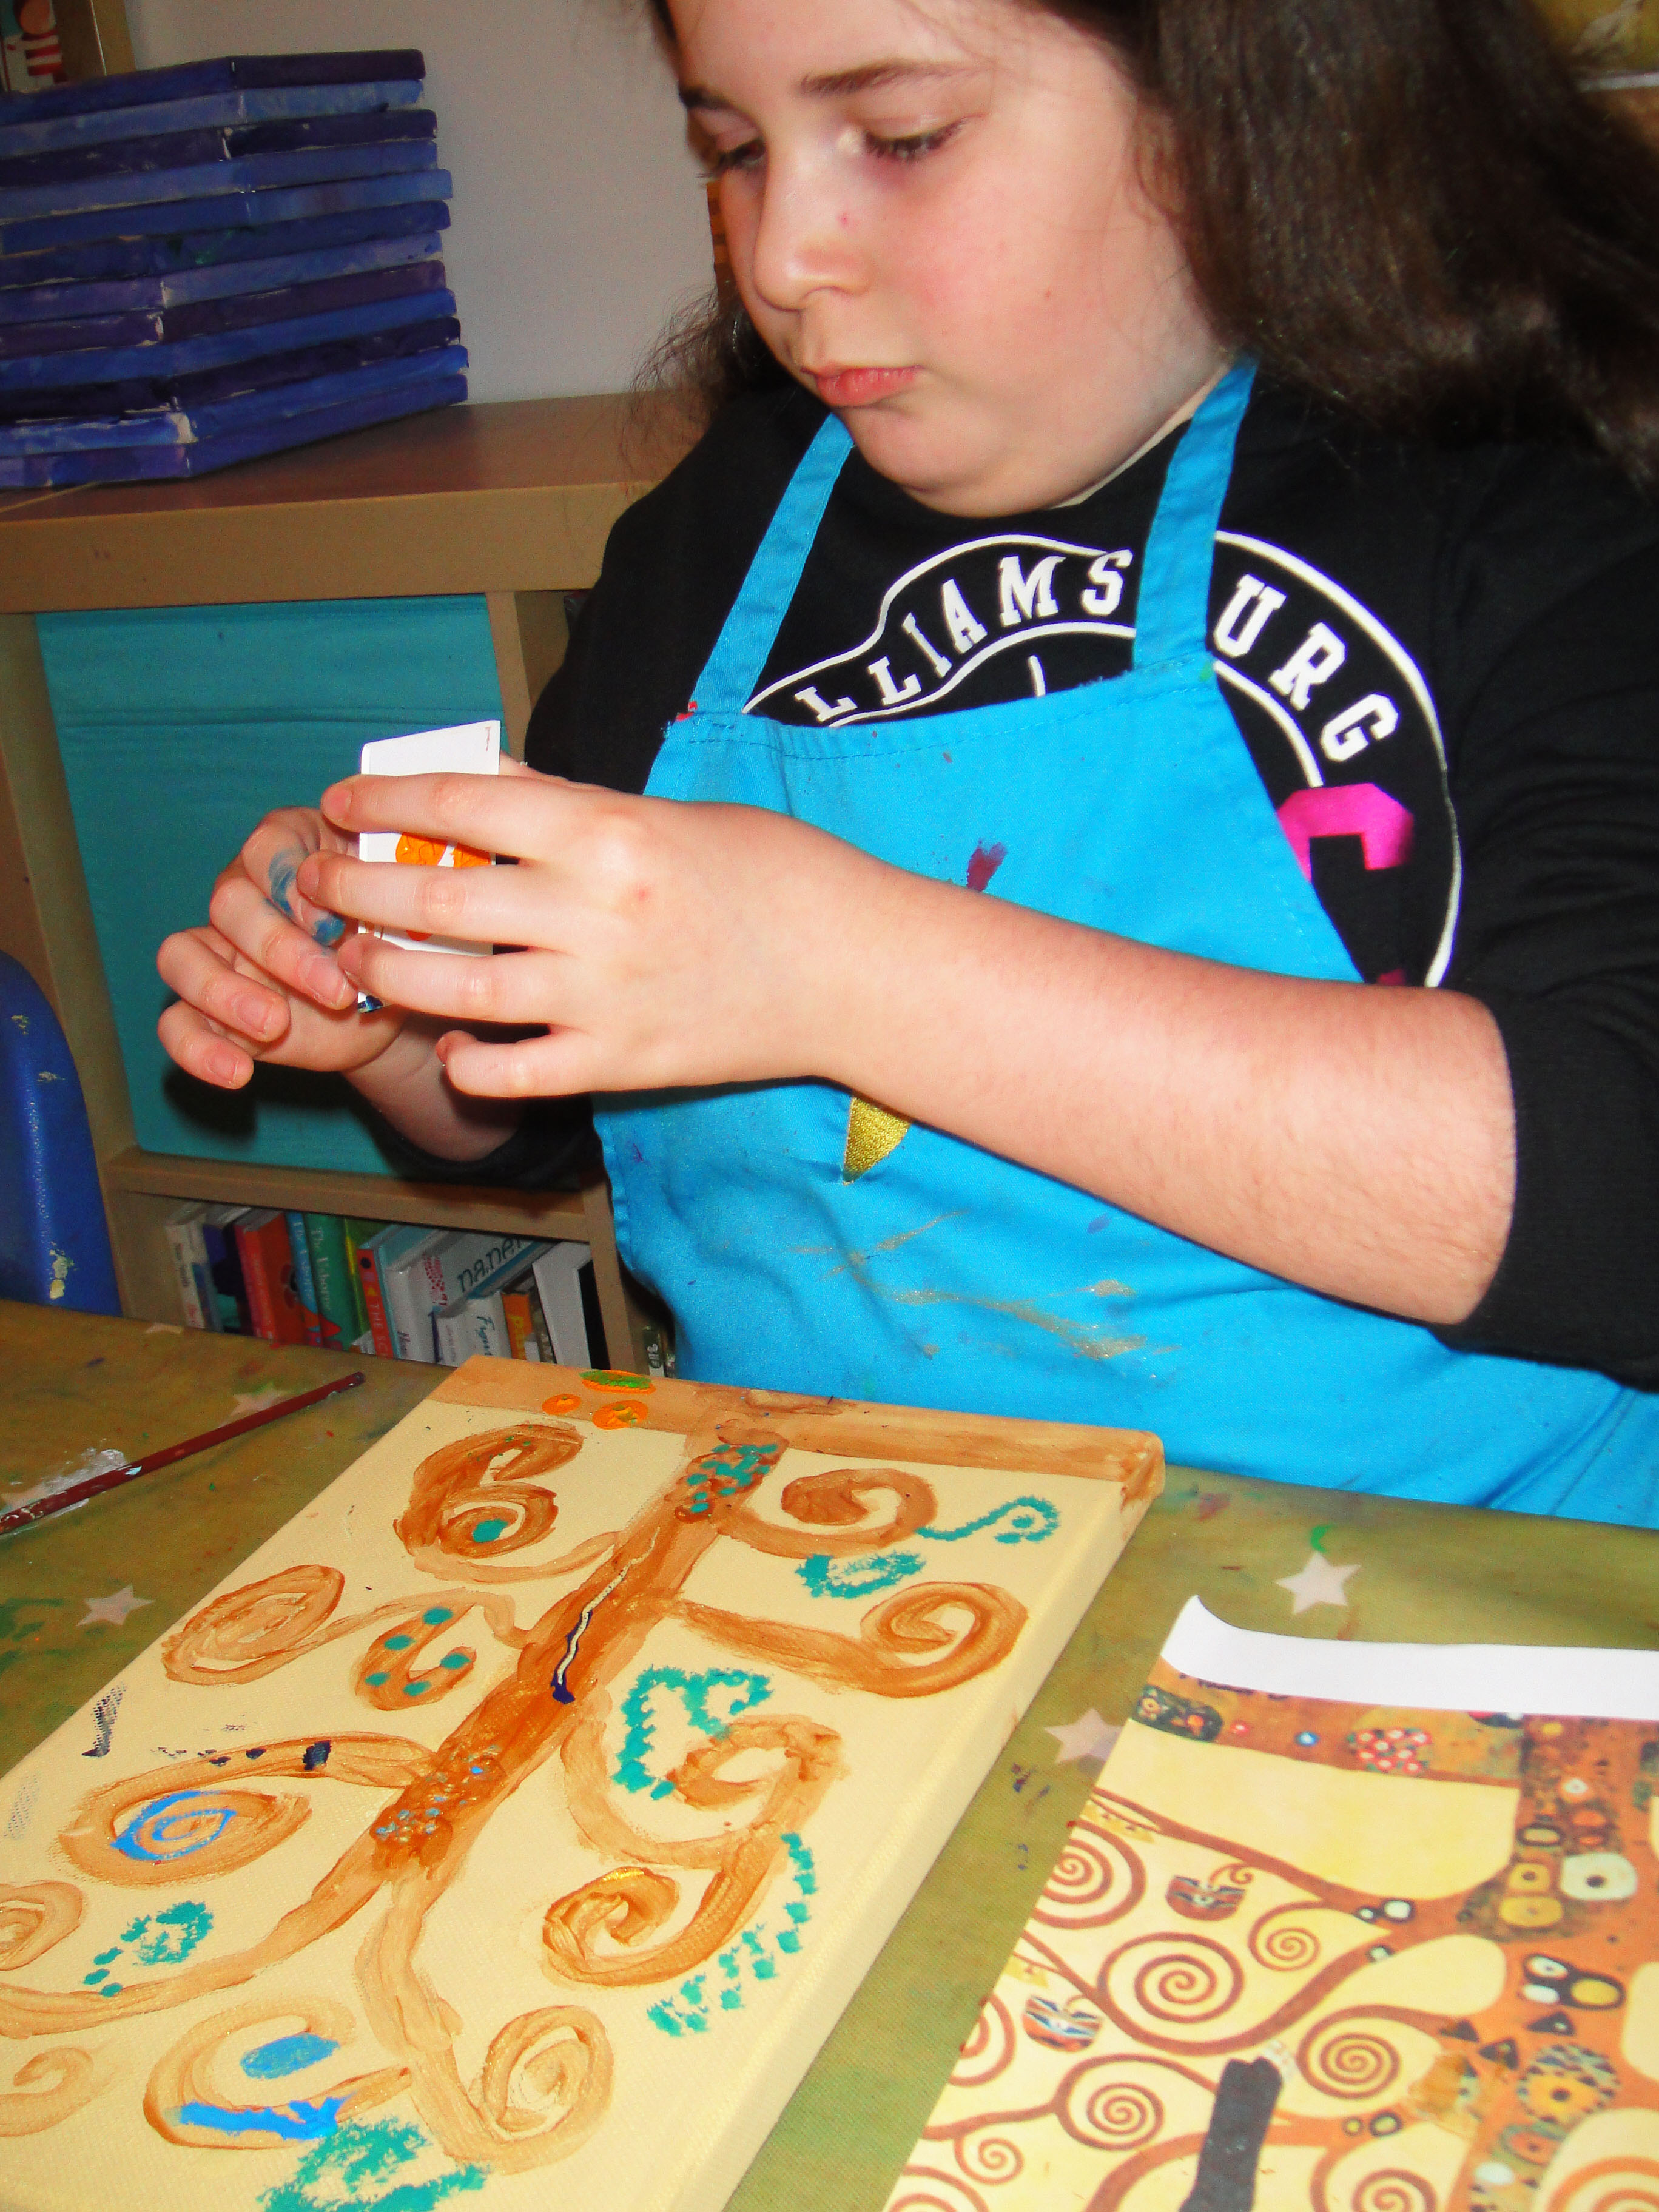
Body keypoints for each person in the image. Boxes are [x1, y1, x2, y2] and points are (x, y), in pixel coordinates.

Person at [156, 0, 1659, 1522]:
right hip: (831, 1550)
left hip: (1415, 1594)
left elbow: (1622, 1197)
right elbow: (539, 1125)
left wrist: (826, 961)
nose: (780, 260)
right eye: (738, 151)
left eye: (902, 138)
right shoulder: (709, 537)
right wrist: (400, 1022)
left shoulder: (1532, 499)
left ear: (1234, 100)